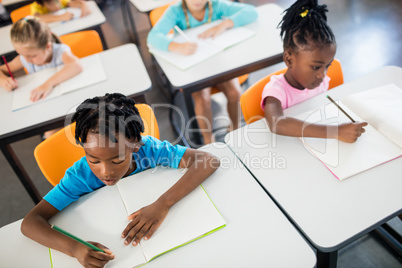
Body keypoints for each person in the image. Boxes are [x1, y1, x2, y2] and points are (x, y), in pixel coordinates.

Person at [21, 93, 220, 267]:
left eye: (117, 160)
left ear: (135, 145)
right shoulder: (80, 176)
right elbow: (30, 222)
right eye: (94, 160)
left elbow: (208, 160)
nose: (105, 171)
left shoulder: (148, 150)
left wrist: (163, 204)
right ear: (83, 149)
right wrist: (74, 249)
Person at [147, 0, 258, 144]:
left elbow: (252, 12)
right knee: (203, 100)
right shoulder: (175, 11)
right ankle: (208, 139)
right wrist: (176, 46)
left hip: (219, 62)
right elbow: (153, 37)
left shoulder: (217, 5)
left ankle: (235, 128)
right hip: (196, 66)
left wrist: (224, 24)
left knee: (235, 93)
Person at [262, 0, 367, 143]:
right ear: (289, 59)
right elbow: (277, 124)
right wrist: (335, 132)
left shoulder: (319, 82)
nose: (322, 75)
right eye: (316, 67)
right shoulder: (276, 90)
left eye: (327, 66)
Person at [0, 16, 82, 101]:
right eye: (21, 54)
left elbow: (76, 65)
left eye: (32, 56)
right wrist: (3, 80)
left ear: (48, 46)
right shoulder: (24, 58)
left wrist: (48, 84)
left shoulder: (59, 51)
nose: (27, 60)